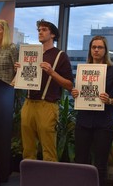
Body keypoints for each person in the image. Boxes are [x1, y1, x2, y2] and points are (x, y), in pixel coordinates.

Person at [71, 35, 113, 186]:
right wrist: (74, 93)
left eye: (100, 47)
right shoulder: (83, 70)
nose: (96, 50)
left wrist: (109, 100)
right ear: (90, 50)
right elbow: (78, 92)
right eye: (93, 47)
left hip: (103, 122)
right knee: (80, 161)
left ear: (105, 50)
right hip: (83, 121)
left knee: (100, 163)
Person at [16, 19, 73, 162]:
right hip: (28, 103)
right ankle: (28, 179)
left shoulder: (60, 55)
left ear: (53, 34)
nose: (40, 32)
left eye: (44, 30)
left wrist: (52, 72)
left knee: (48, 148)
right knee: (28, 148)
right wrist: (19, 69)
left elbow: (69, 85)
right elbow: (21, 80)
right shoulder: (32, 53)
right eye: (39, 30)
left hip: (47, 105)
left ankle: (50, 179)